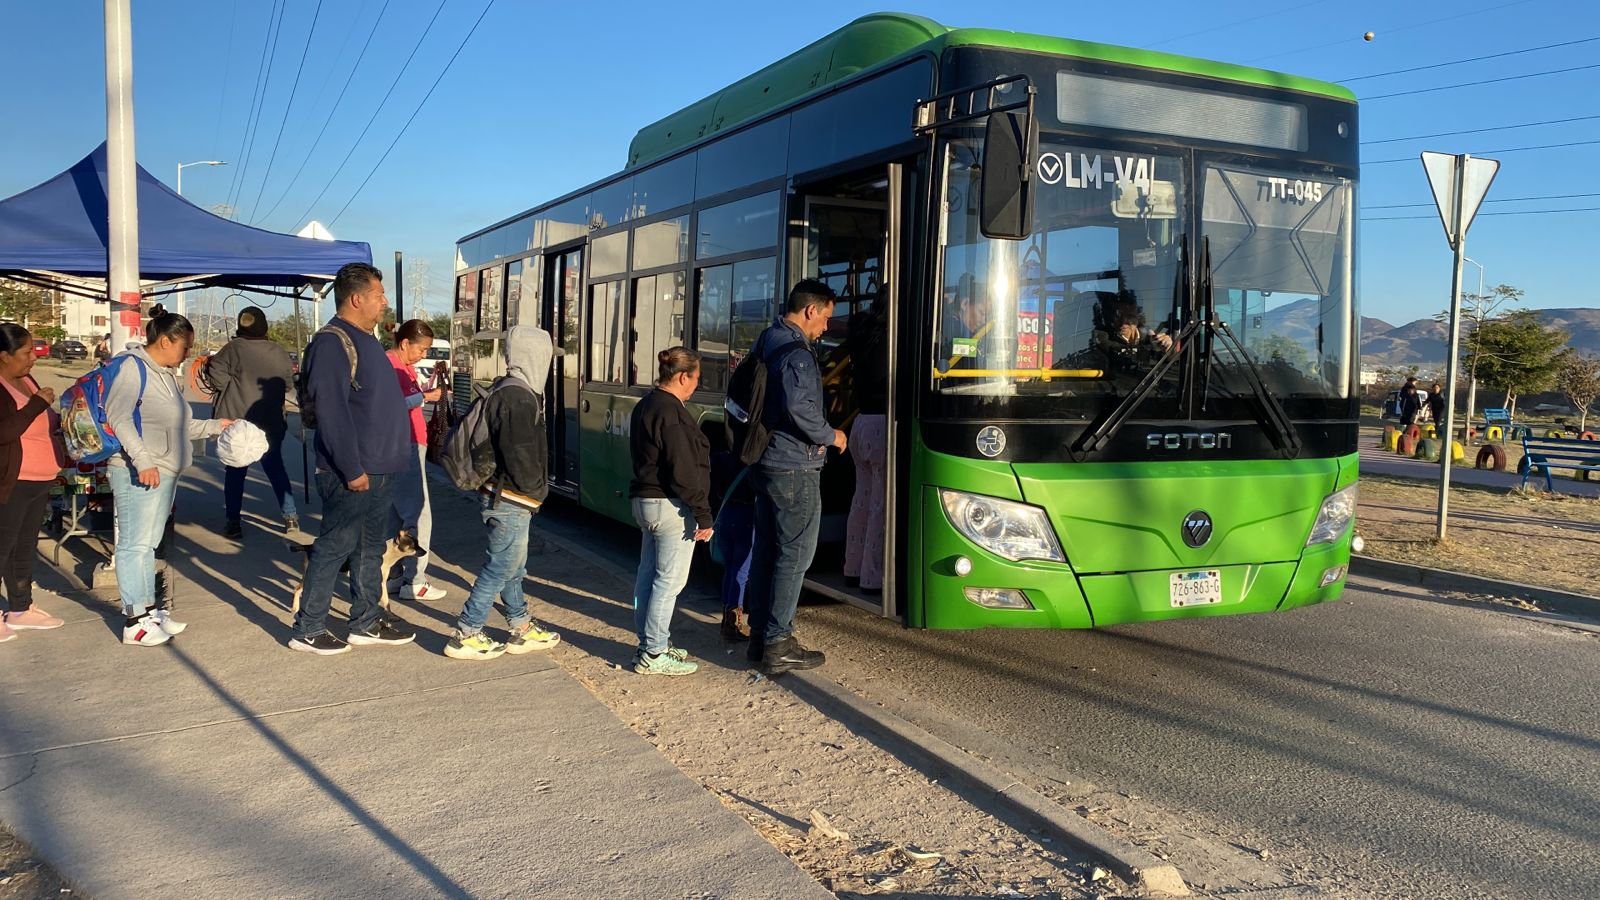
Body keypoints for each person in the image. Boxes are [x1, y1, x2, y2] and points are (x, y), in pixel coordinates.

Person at [290, 263, 416, 655]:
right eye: (380, 295)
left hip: (379, 468)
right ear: (357, 298)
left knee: (369, 548)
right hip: (354, 471)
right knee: (335, 546)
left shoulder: (366, 339)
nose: (385, 302)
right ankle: (308, 627)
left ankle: (365, 619)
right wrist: (351, 467)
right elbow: (332, 411)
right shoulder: (332, 342)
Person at [105, 306, 232, 646]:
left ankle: (148, 610)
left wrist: (215, 426)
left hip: (163, 470)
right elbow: (119, 417)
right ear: (165, 340)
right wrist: (143, 460)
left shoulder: (164, 374)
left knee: (149, 545)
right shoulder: (133, 369)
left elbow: (177, 425)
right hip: (139, 471)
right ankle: (135, 621)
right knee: (135, 545)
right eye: (185, 346)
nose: (188, 353)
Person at [744, 279, 845, 676]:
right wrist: (831, 435)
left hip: (767, 462)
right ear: (810, 310)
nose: (826, 328)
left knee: (769, 551)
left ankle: (759, 637)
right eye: (825, 318)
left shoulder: (767, 339)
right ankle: (778, 643)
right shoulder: (798, 355)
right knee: (795, 556)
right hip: (795, 466)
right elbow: (800, 409)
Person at [443, 325, 561, 660]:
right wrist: (537, 493)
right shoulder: (519, 397)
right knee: (501, 566)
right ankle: (466, 632)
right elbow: (520, 455)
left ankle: (520, 626)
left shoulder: (506, 388)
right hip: (511, 498)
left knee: (512, 566)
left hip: (500, 493)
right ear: (534, 356)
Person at [628, 347, 714, 675]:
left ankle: (651, 642)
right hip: (670, 507)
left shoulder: (646, 404)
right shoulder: (673, 412)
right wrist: (703, 514)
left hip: (645, 502)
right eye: (695, 378)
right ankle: (653, 652)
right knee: (669, 583)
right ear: (682, 377)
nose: (696, 385)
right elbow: (683, 469)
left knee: (648, 577)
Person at [206, 306, 298, 538]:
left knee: (235, 472)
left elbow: (216, 379)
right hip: (272, 423)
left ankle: (233, 522)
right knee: (275, 468)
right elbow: (287, 385)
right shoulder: (278, 351)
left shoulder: (232, 349)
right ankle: (291, 518)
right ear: (265, 326)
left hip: (237, 424)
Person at [0, 324, 65, 641]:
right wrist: (38, 404)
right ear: (4, 356)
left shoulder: (26, 380)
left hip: (40, 478)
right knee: (2, 548)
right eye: (26, 352)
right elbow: (5, 432)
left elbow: (44, 422)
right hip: (11, 481)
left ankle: (20, 608)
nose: (33, 358)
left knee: (23, 548)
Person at [386, 319, 446, 602]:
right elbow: (391, 403)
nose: (424, 354)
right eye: (421, 349)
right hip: (404, 444)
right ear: (405, 343)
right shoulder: (391, 365)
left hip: (406, 443)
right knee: (420, 513)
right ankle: (416, 579)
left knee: (396, 515)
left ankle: (394, 575)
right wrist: (425, 397)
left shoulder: (404, 366)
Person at [843, 301, 887, 594]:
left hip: (860, 423)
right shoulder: (889, 340)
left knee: (861, 499)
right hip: (883, 425)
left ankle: (852, 567)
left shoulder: (863, 335)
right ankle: (872, 577)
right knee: (880, 506)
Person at [710, 447, 753, 641]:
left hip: (725, 515)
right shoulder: (752, 459)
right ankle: (734, 623)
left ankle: (726, 619)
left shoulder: (721, 456)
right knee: (741, 571)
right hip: (746, 516)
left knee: (730, 568)